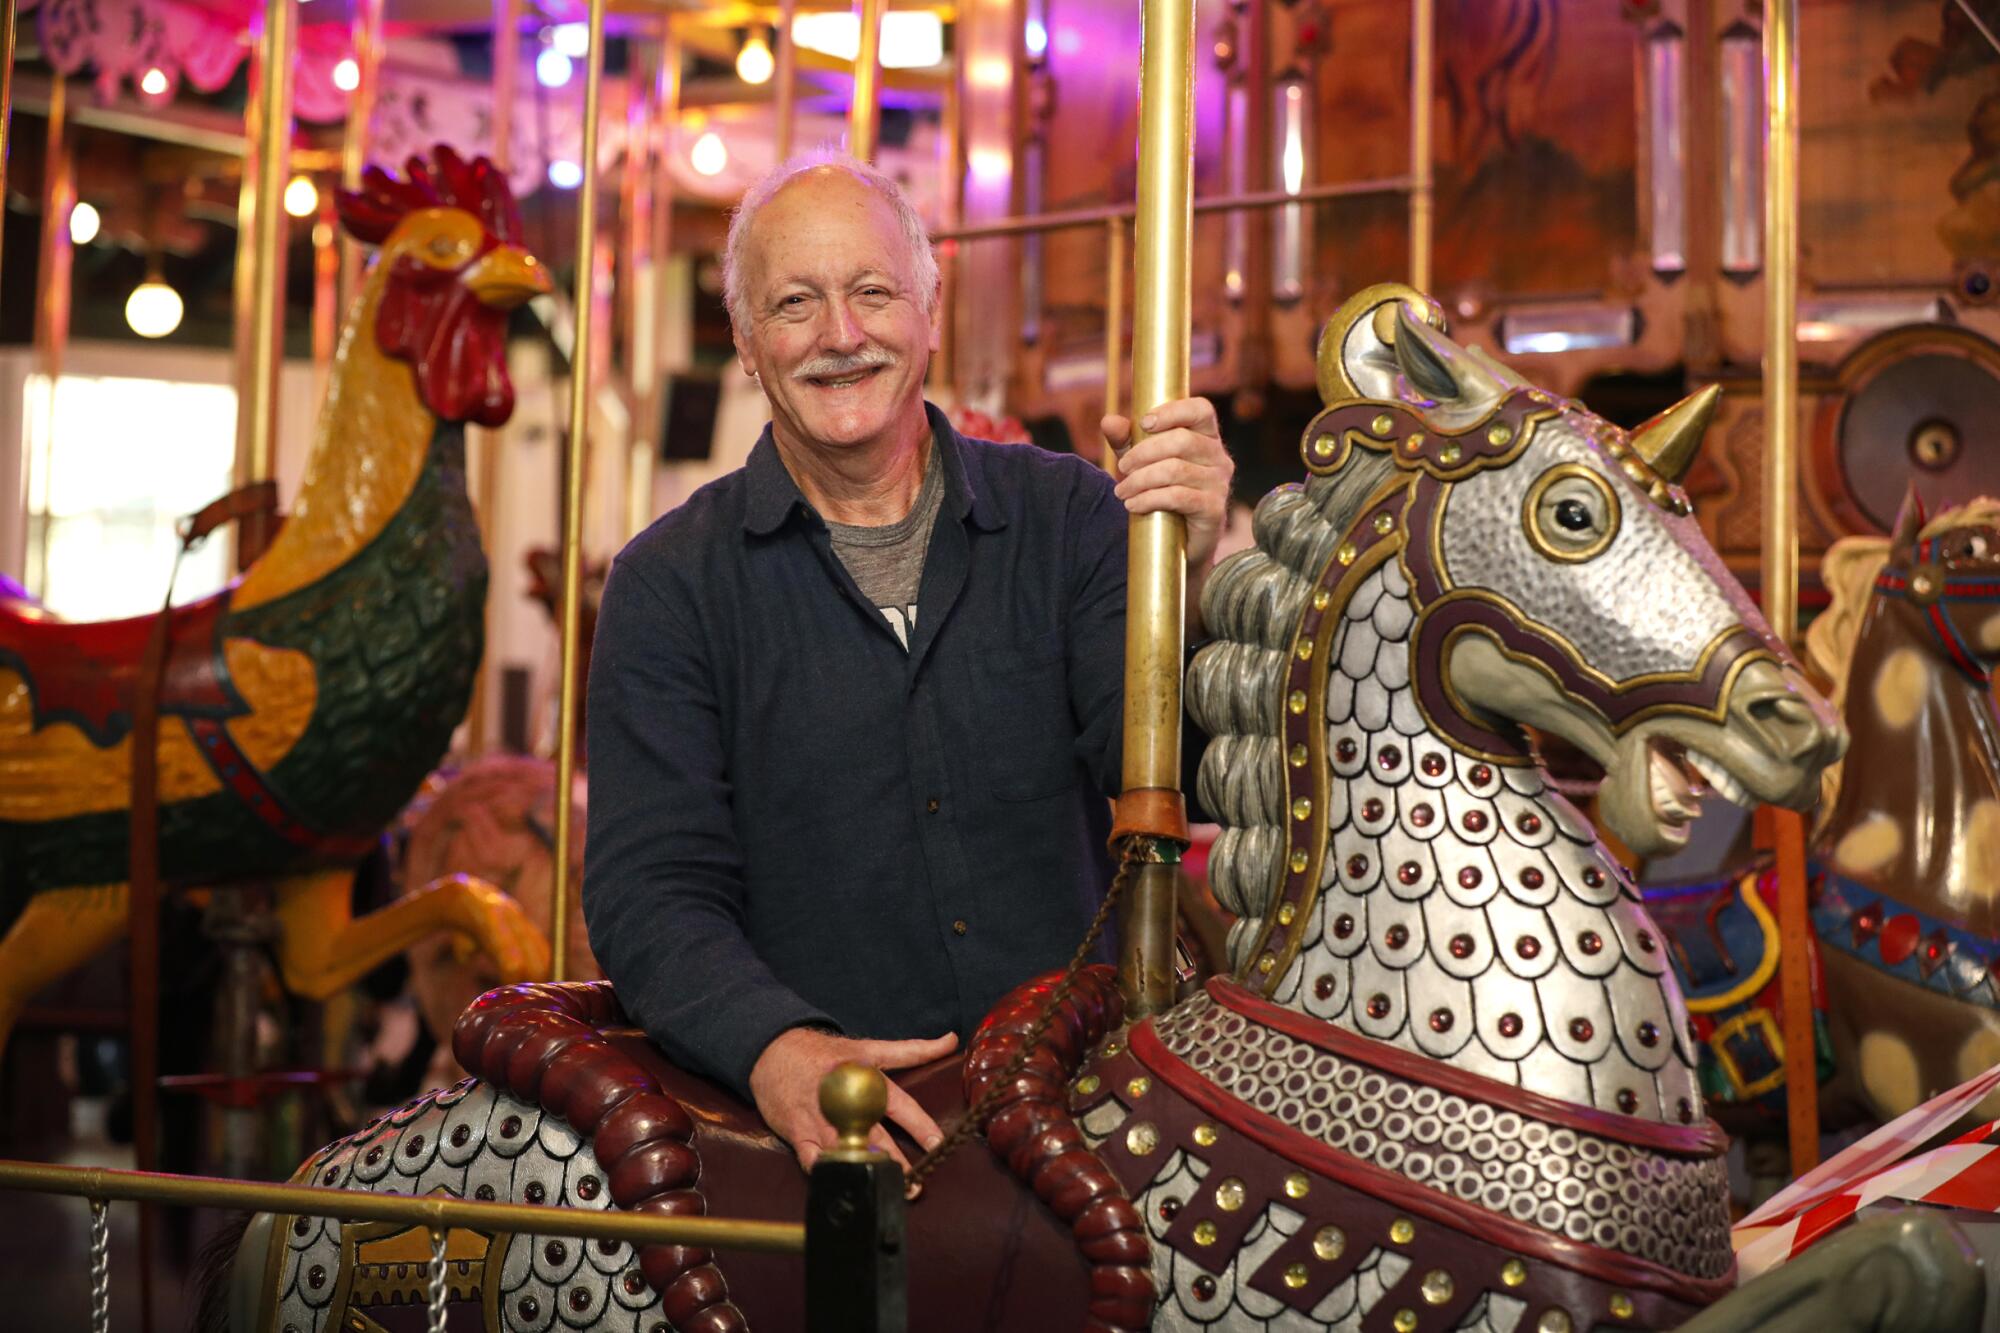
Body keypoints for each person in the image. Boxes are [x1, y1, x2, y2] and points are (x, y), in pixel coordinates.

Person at [582, 152, 1234, 1170]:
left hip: (1084, 1111)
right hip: (832, 1140)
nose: (841, 335)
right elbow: (648, 887)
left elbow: (1167, 770)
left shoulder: (1069, 517)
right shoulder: (669, 585)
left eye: (872, 292)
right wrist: (773, 1046)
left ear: (930, 313)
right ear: (748, 349)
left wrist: (1186, 577)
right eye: (795, 304)